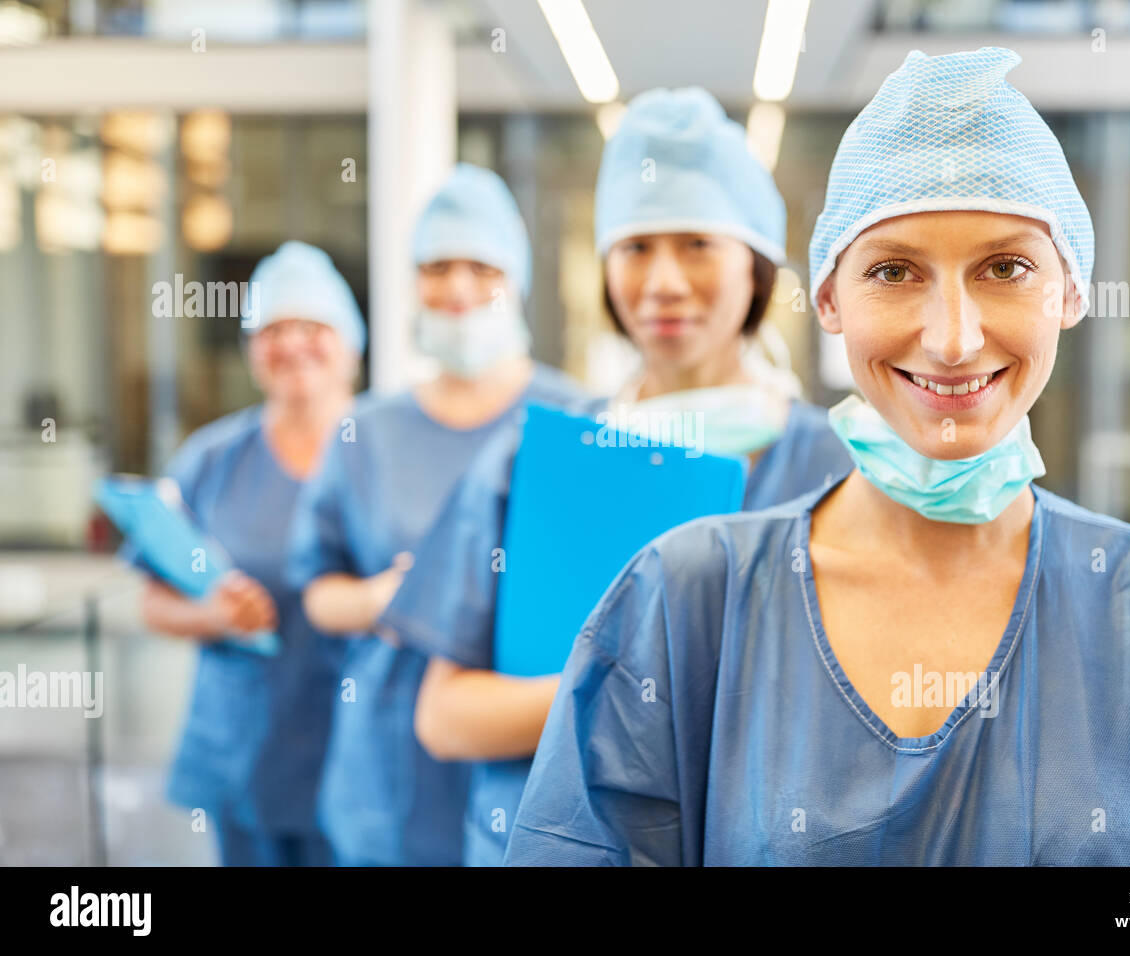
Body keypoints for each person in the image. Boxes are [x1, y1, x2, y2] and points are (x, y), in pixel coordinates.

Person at [503, 48, 1130, 866]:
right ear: (826, 299)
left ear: (1071, 289)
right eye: (892, 270)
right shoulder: (681, 606)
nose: (952, 338)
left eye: (1006, 267)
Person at [380, 87, 853, 866]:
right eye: (635, 247)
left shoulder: (833, 466)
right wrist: (650, 696)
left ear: (759, 264)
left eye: (697, 242)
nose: (663, 280)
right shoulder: (535, 461)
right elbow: (447, 717)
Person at [285, 164, 585, 866]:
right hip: (386, 758)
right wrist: (382, 599)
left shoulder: (574, 421)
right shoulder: (368, 430)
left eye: (481, 266)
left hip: (524, 743)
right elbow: (317, 589)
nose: (456, 287)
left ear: (515, 277)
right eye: (437, 265)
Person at [130, 241, 361, 866]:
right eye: (273, 328)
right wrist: (214, 617)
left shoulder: (385, 452)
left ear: (351, 343)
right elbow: (152, 598)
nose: (292, 344)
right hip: (246, 754)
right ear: (251, 348)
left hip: (360, 755)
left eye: (313, 326)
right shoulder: (210, 461)